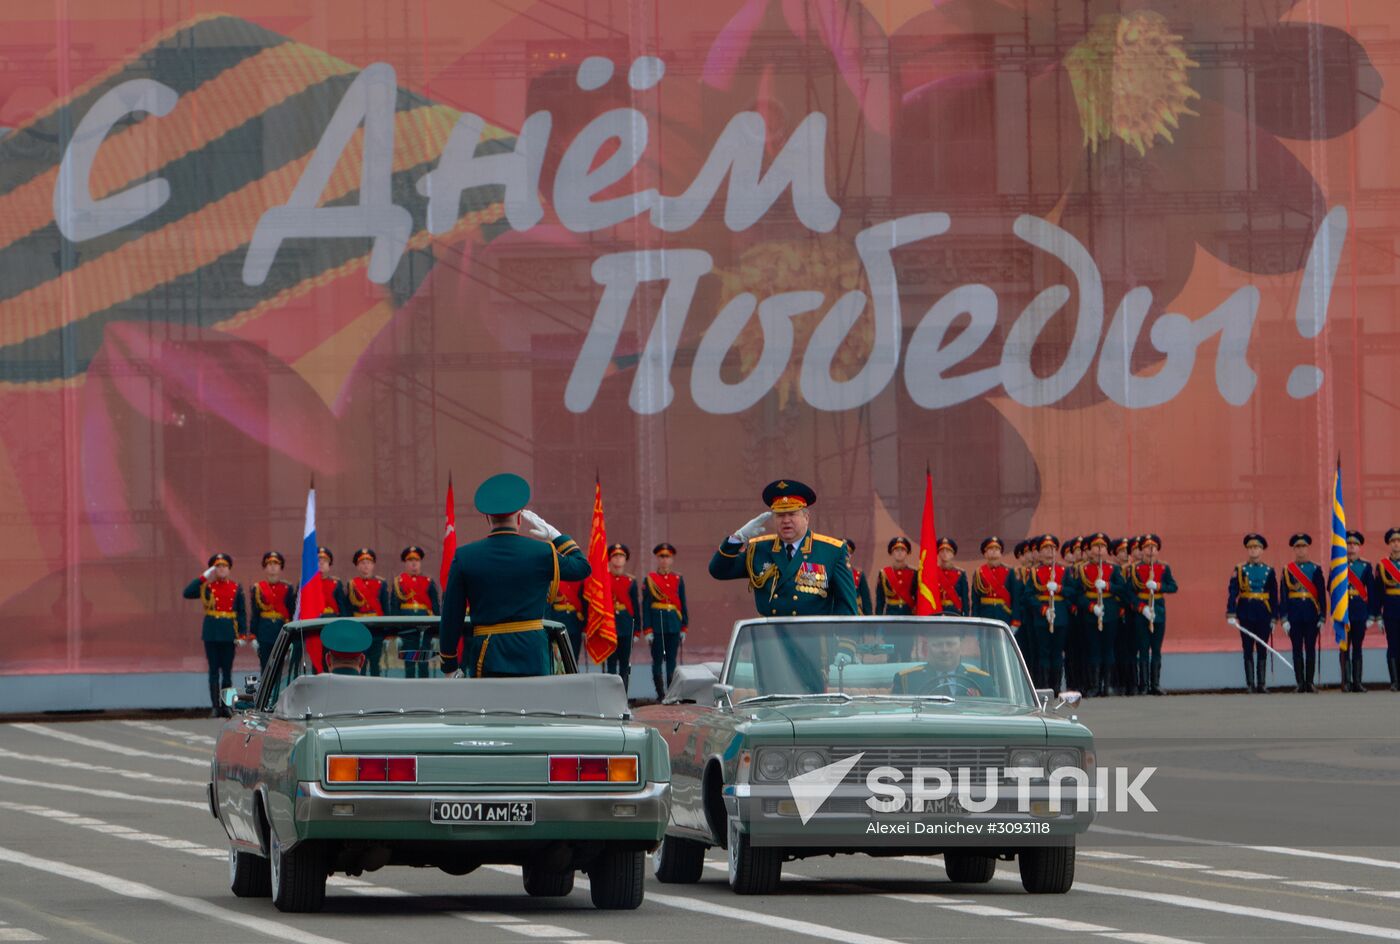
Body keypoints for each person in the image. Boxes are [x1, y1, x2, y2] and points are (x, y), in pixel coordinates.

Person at [709, 479, 858, 693]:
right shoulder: (759, 549)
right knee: (772, 704)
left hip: (812, 643)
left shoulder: (830, 550)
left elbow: (846, 603)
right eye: (780, 515)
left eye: (792, 514)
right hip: (771, 643)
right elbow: (718, 570)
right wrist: (736, 538)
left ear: (806, 517)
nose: (786, 521)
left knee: (811, 707)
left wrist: (846, 645)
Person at [438, 473, 590, 678]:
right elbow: (582, 567)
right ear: (519, 518)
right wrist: (555, 536)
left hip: (487, 653)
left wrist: (449, 664)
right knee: (533, 709)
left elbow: (451, 615)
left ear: (487, 518)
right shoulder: (542, 552)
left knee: (490, 710)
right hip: (532, 653)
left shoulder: (465, 556)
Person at [182, 553, 246, 718]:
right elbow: (187, 593)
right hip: (211, 633)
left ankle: (227, 706)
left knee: (227, 672)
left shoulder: (236, 587)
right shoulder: (208, 588)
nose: (221, 569)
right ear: (213, 569)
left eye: (224, 566)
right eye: (217, 566)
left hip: (229, 633)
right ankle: (215, 707)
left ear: (229, 569)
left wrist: (242, 634)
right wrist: (203, 577)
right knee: (213, 672)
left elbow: (241, 613)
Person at [1123, 533, 1177, 696]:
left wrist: (1159, 585)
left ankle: (1155, 683)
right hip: (1142, 611)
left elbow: (1173, 587)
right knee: (1143, 649)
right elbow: (1129, 593)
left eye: (1153, 548)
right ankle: (1143, 684)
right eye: (1147, 548)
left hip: (1158, 611)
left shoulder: (1163, 567)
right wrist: (1141, 608)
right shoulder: (1134, 569)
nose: (1150, 551)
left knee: (1156, 649)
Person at [1025, 535, 1078, 691]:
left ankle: (1055, 687)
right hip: (1042, 617)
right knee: (1044, 652)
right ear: (1040, 552)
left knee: (1057, 652)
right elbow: (1028, 595)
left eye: (1053, 549)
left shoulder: (1063, 571)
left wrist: (1059, 589)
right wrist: (1043, 610)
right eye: (1046, 549)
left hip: (1060, 616)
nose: (1050, 552)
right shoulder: (1034, 572)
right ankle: (1044, 686)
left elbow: (1073, 591)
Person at [1226, 534, 1277, 694]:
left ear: (1262, 550)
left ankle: (1261, 683)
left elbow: (1274, 595)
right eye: (1251, 548)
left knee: (1262, 648)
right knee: (1247, 648)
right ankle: (1250, 683)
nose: (1253, 550)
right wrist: (1231, 612)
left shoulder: (1269, 570)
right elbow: (1233, 591)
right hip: (1246, 611)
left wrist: (1275, 617)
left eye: (1256, 547)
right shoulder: (1240, 569)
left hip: (1263, 612)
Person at [1078, 533, 1124, 697]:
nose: (1099, 550)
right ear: (1089, 551)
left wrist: (1108, 585)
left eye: (1102, 547)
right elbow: (1078, 594)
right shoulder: (1082, 570)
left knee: (1108, 649)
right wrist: (1091, 607)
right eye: (1096, 547)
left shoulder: (1113, 569)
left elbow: (1122, 589)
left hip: (1109, 612)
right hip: (1091, 613)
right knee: (1094, 649)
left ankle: (1108, 685)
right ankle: (1094, 685)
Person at [1280, 533, 1325, 693]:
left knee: (1311, 649)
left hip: (1311, 614)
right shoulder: (1287, 570)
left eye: (1303, 546)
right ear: (1294, 549)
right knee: (1297, 649)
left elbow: (1320, 593)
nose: (1301, 550)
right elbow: (1283, 595)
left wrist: (1323, 616)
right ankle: (1300, 682)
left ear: (1308, 548)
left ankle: (1310, 682)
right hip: (1294, 615)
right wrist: (1284, 618)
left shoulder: (1315, 569)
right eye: (1298, 547)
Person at [643, 543, 688, 698]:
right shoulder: (650, 579)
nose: (664, 560)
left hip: (674, 624)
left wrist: (684, 627)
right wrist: (647, 629)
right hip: (657, 625)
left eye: (667, 556)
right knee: (657, 662)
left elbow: (682, 603)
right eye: (661, 556)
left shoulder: (678, 579)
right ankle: (660, 693)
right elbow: (646, 606)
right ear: (657, 558)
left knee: (671, 662)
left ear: (672, 559)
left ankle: (672, 693)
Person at [890, 630, 993, 697]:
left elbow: (995, 716)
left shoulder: (982, 681)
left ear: (960, 646)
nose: (945, 650)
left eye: (950, 644)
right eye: (938, 644)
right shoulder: (906, 680)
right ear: (927, 647)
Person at [391, 546, 440, 679]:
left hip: (425, 626)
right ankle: (409, 691)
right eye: (410, 561)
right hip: (407, 628)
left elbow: (436, 607)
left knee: (424, 661)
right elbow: (394, 608)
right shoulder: (399, 582)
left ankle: (425, 690)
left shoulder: (428, 582)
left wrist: (437, 630)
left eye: (417, 561)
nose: (414, 564)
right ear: (405, 563)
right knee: (410, 661)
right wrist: (395, 631)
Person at [250, 551, 296, 674]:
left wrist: (292, 636)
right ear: (265, 567)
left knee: (281, 670)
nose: (272, 567)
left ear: (281, 567)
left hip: (281, 632)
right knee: (265, 669)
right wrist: (253, 636)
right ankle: (266, 694)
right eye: (269, 564)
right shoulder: (258, 588)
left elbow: (291, 613)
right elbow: (255, 614)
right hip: (264, 633)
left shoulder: (288, 588)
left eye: (276, 564)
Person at [605, 543, 641, 694]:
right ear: (610, 559)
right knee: (611, 664)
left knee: (625, 665)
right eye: (615, 556)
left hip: (626, 628)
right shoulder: (604, 580)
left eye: (621, 556)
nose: (618, 559)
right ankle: (611, 695)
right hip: (609, 627)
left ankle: (623, 695)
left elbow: (635, 608)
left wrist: (637, 630)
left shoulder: (631, 582)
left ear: (625, 560)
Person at [348, 548, 390, 676]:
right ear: (357, 566)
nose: (365, 566)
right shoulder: (352, 584)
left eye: (368, 563)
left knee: (375, 663)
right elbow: (348, 609)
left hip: (376, 629)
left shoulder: (381, 583)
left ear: (373, 565)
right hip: (359, 628)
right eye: (362, 563)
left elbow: (385, 608)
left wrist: (387, 631)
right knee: (361, 662)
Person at [1342, 531, 1372, 693]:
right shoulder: (1338, 565)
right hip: (1343, 611)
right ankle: (1346, 682)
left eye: (1354, 544)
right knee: (1344, 648)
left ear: (1359, 548)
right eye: (1348, 544)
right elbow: (1330, 588)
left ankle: (1357, 682)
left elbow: (1372, 591)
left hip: (1360, 611)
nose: (1351, 547)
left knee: (1358, 647)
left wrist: (1371, 615)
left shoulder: (1365, 567)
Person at [1374, 527, 1400, 691]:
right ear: (1389, 544)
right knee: (1393, 646)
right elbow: (1378, 593)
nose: (1396, 544)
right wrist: (1377, 615)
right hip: (1391, 611)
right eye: (1393, 542)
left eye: (1398, 541)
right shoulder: (1383, 566)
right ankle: (1395, 681)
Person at [550, 575, 587, 662]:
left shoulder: (581, 581)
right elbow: (549, 605)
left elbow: (585, 604)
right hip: (558, 622)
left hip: (575, 623)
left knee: (574, 658)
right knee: (558, 660)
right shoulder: (553, 580)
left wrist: (585, 625)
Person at [876, 537, 916, 615]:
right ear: (892, 552)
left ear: (907, 553)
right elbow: (880, 600)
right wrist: (878, 619)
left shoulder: (914, 573)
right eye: (896, 550)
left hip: (909, 613)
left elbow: (918, 598)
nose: (899, 553)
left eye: (902, 550)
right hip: (891, 613)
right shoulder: (884, 573)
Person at [936, 538, 969, 616]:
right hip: (937, 611)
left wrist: (966, 616)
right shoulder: (933, 573)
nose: (945, 553)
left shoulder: (960, 574)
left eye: (948, 551)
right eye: (942, 551)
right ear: (938, 553)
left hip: (954, 612)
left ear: (953, 554)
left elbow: (965, 599)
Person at [314, 547, 346, 617]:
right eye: (318, 560)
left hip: (332, 620)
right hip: (311, 622)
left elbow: (342, 609)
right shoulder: (306, 584)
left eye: (325, 561)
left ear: (329, 565)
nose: (321, 563)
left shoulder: (336, 583)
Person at [847, 539, 872, 615]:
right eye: (842, 552)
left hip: (855, 613)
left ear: (851, 555)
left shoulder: (859, 575)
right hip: (836, 614)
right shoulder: (831, 573)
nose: (845, 554)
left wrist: (869, 619)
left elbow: (866, 600)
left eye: (848, 552)